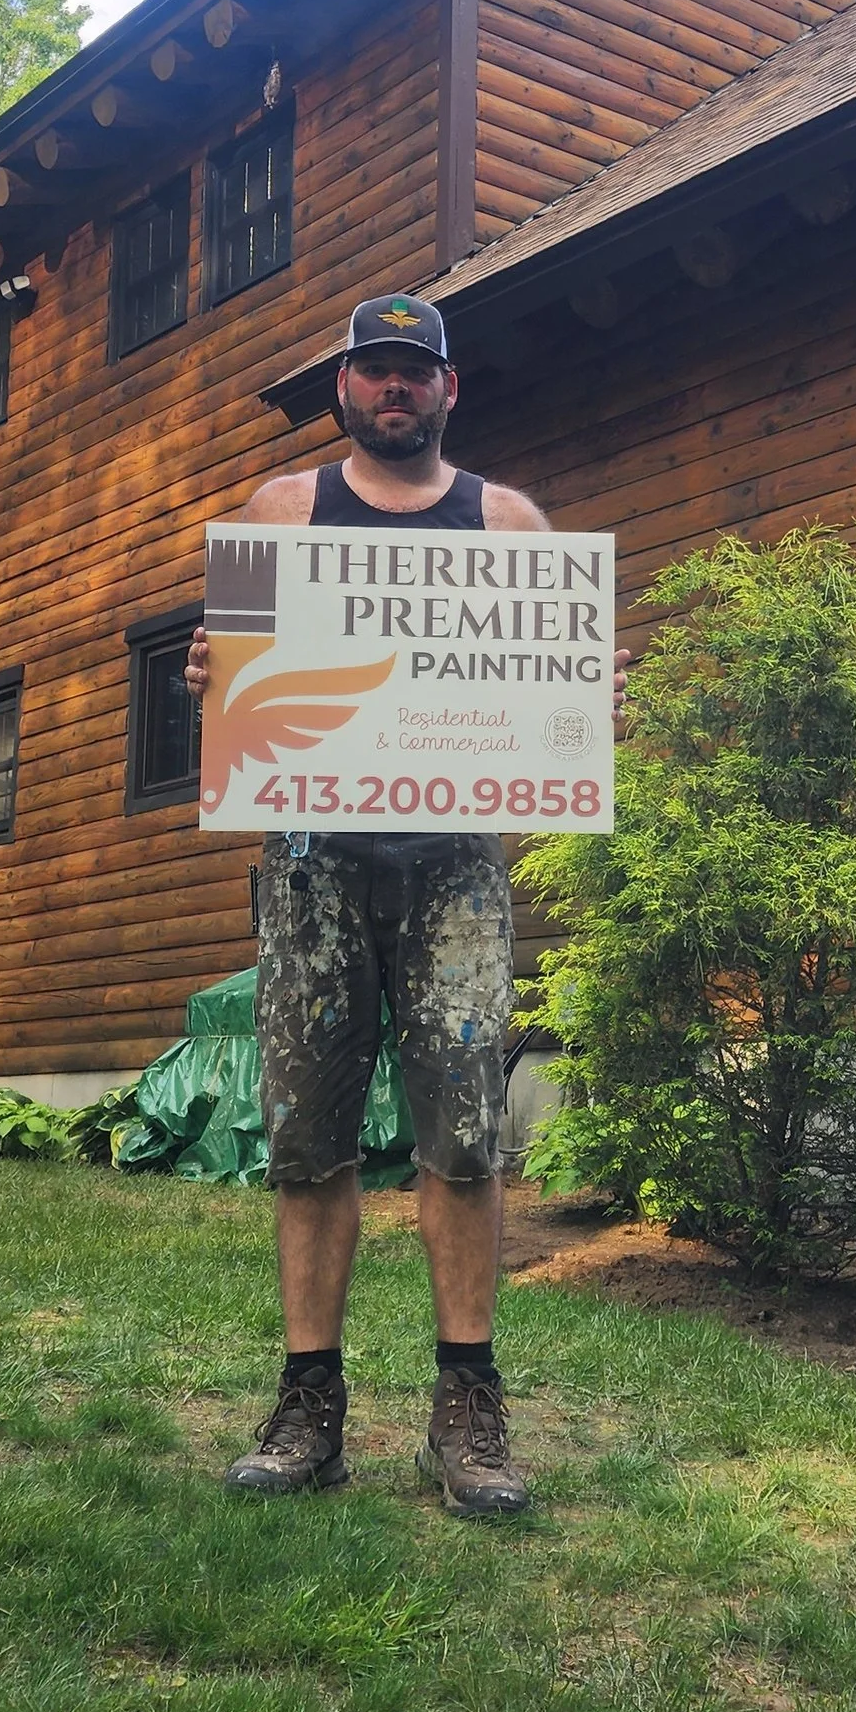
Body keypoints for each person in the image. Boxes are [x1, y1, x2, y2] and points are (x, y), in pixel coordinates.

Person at [185, 294, 614, 1517]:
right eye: (372, 371)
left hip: (458, 869)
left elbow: (555, 690)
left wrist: (587, 701)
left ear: (448, 389)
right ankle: (308, 1404)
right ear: (342, 391)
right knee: (307, 1140)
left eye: (412, 372)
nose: (392, 389)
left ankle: (467, 1410)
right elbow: (240, 673)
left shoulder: (508, 519)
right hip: (312, 859)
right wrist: (217, 672)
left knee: (465, 1137)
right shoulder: (282, 510)